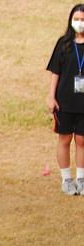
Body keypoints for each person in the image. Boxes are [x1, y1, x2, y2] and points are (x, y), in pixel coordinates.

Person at [47, 4, 84, 195]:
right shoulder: (64, 44)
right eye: (76, 19)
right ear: (71, 20)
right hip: (64, 102)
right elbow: (55, 72)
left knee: (82, 141)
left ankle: (81, 179)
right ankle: (66, 180)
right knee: (65, 139)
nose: (80, 23)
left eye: (83, 19)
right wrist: (51, 96)